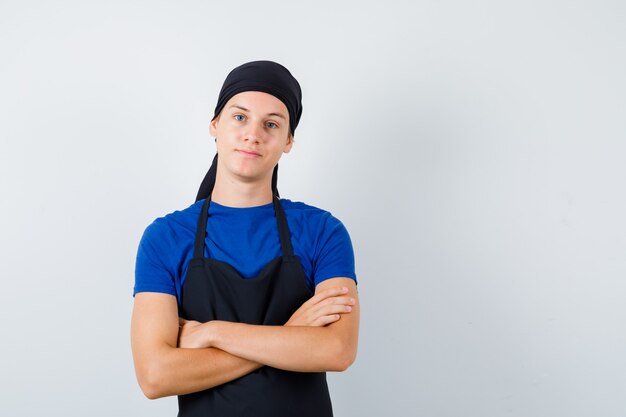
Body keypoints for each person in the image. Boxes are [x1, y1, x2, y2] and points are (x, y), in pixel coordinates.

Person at [130, 60, 359, 416]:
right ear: (215, 125)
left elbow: (337, 351)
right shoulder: (166, 238)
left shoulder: (323, 231)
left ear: (288, 141)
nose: (253, 134)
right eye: (240, 117)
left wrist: (211, 333)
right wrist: (291, 332)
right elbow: (155, 376)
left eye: (271, 124)